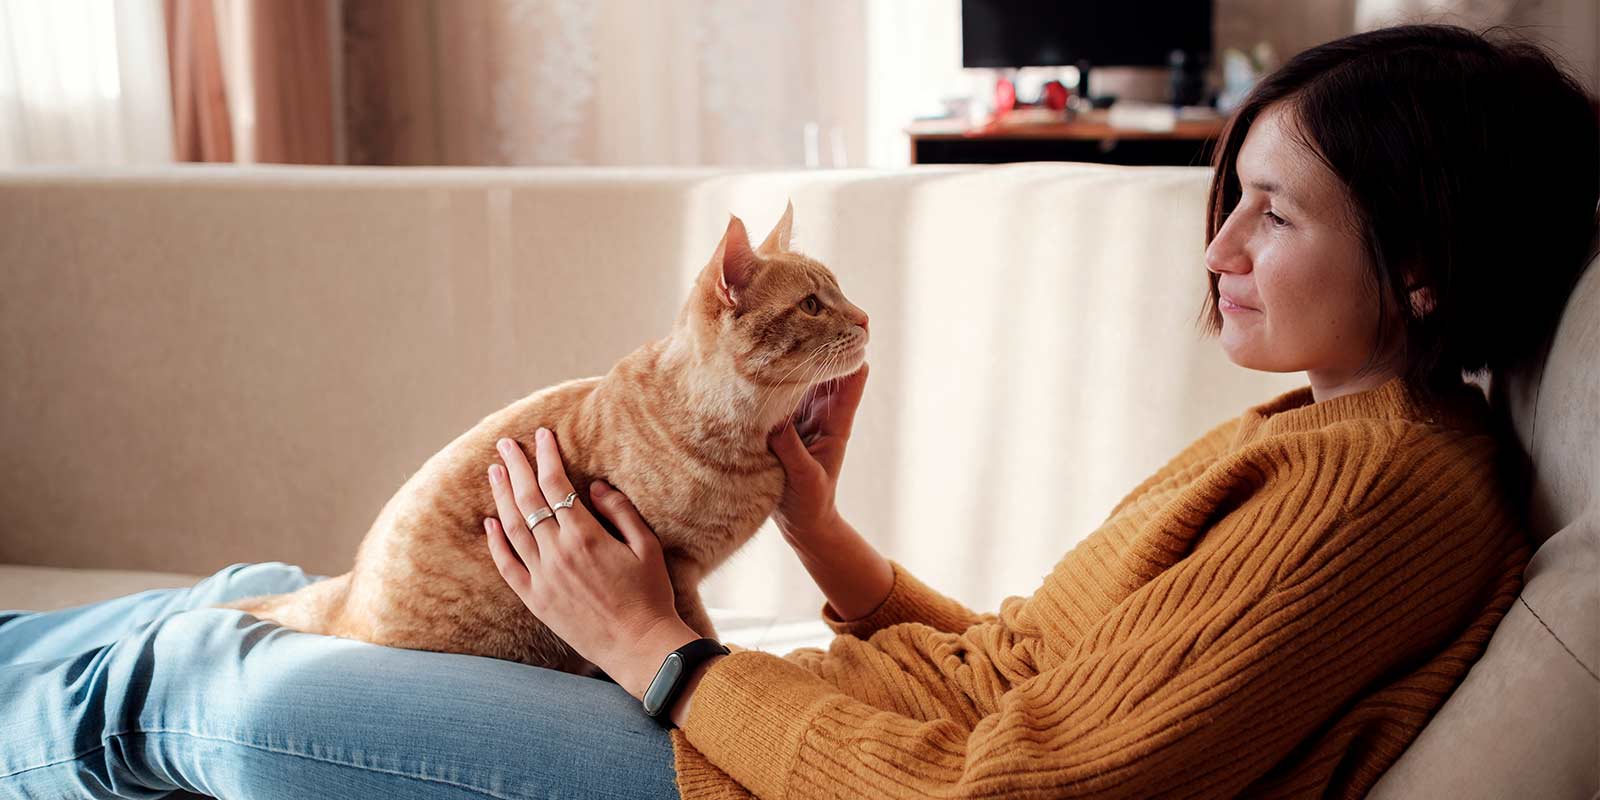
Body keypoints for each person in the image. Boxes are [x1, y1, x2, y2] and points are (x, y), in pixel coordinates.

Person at [3, 22, 1596, 800]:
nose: (1223, 248)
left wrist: (663, 654)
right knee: (256, 620)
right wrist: (829, 542)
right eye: (1228, 199)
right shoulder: (1322, 432)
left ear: (1430, 262)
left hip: (793, 777)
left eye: (1279, 215)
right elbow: (1038, 673)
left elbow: (1037, 791)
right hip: (829, 731)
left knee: (244, 709)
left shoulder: (1387, 488)